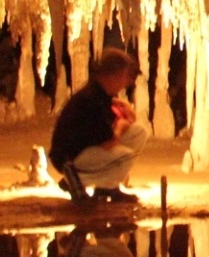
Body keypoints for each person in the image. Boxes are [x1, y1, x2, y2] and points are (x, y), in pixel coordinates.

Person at [49, 47, 149, 205]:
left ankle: (109, 188)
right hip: (70, 159)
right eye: (125, 76)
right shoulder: (92, 99)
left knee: (139, 132)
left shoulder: (103, 95)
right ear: (114, 75)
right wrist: (120, 126)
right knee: (126, 155)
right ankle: (73, 182)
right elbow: (108, 141)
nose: (126, 83)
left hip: (87, 151)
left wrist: (126, 114)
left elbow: (119, 126)